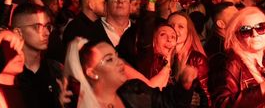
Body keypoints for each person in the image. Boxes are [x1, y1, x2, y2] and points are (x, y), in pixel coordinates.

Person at [64, 38, 196, 108]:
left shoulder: (134, 90)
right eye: (109, 59)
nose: (120, 62)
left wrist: (184, 84)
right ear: (92, 73)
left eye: (117, 56)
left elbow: (169, 104)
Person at [213, 6, 265, 108]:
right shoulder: (232, 64)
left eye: (260, 27)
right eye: (246, 30)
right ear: (237, 35)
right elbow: (222, 104)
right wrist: (261, 89)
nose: (254, 34)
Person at [11, 3, 63, 108]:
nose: (47, 33)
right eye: (38, 27)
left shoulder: (56, 70)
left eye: (48, 26)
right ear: (18, 32)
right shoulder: (10, 76)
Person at [167, 11, 210, 106]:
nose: (174, 29)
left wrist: (199, 100)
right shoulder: (160, 56)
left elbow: (206, 95)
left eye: (180, 27)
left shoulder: (197, 59)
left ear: (188, 31)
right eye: (171, 25)